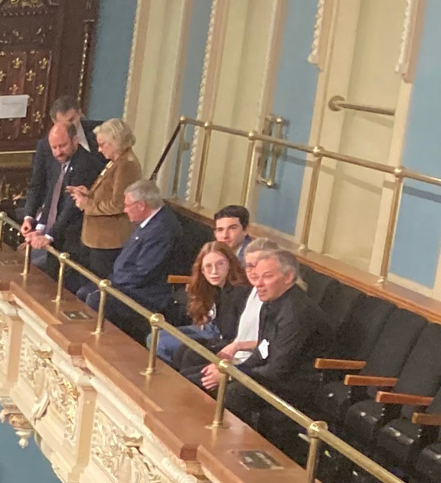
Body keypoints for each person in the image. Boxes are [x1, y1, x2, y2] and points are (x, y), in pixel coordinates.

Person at [210, 242, 330, 435]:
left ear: (288, 277)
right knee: (209, 377)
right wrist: (229, 369)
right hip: (273, 373)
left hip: (298, 381)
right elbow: (262, 349)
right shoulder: (271, 301)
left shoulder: (296, 312)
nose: (258, 284)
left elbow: (279, 367)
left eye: (267, 277)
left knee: (233, 393)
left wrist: (232, 375)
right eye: (257, 277)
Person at [74, 177, 182, 332]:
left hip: (145, 294)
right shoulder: (148, 222)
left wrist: (113, 284)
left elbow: (143, 272)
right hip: (125, 284)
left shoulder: (162, 230)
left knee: (96, 299)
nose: (124, 210)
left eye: (127, 206)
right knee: (84, 291)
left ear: (140, 206)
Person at [16, 112, 103, 279]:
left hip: (74, 238)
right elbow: (52, 195)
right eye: (54, 148)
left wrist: (48, 235)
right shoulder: (58, 162)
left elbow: (70, 208)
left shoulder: (84, 164)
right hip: (56, 235)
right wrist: (40, 227)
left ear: (75, 141)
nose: (57, 152)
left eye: (62, 146)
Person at [67, 116, 138, 281]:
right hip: (96, 240)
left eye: (102, 145)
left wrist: (87, 205)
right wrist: (88, 193)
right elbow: (106, 192)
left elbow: (120, 204)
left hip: (108, 242)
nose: (99, 150)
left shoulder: (127, 164)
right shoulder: (115, 161)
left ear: (116, 142)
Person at [158, 240, 246, 373]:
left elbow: (229, 333)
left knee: (165, 345)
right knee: (157, 336)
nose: (214, 271)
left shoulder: (238, 291)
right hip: (210, 329)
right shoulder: (210, 286)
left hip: (222, 339)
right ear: (202, 270)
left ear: (230, 264)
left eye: (220, 264)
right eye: (208, 266)